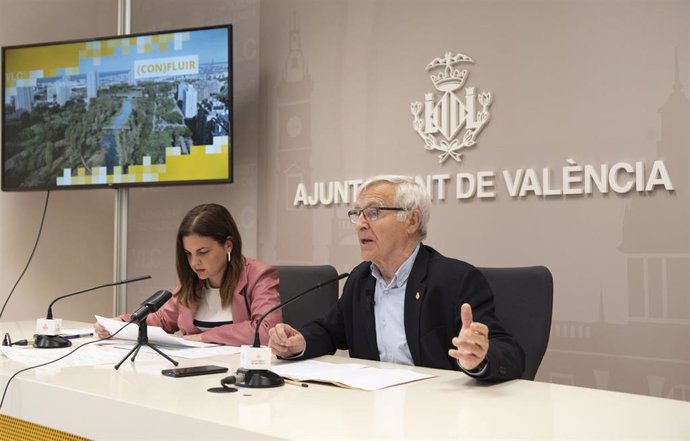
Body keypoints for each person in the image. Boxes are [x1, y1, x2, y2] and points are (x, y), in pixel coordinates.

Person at [268, 175, 524, 381]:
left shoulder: (456, 279)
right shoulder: (361, 278)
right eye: (357, 214)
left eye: (373, 213)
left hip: (437, 415)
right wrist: (299, 343)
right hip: (373, 410)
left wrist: (480, 356)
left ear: (412, 221)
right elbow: (331, 331)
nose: (359, 224)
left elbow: (510, 353)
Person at [95, 203, 281, 346]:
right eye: (188, 254)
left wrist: (204, 337)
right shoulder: (193, 282)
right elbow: (162, 320)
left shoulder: (259, 275)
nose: (194, 263)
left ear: (228, 245)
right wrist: (122, 323)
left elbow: (266, 329)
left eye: (202, 252)